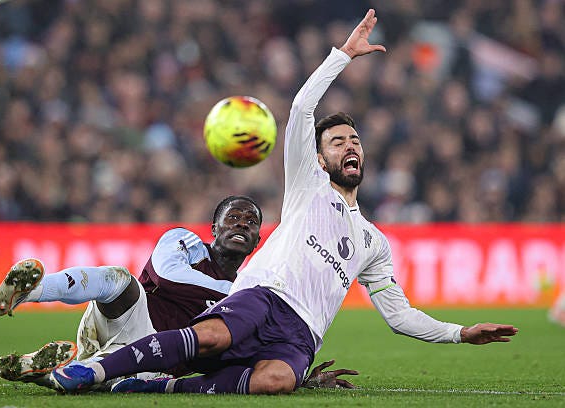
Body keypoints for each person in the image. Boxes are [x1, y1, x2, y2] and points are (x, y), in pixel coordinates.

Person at [48, 8, 518, 395]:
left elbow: (399, 316)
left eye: (355, 140)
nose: (349, 146)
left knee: (276, 381)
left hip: (303, 332)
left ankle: (153, 388)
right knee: (213, 336)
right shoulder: (307, 187)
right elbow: (301, 109)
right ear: (317, 156)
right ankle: (96, 369)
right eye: (337, 141)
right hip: (264, 295)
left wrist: (460, 333)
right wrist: (343, 57)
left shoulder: (373, 242)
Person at [0, 195, 355, 390]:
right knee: (117, 278)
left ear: (258, 240)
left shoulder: (250, 297)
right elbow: (166, 276)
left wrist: (298, 375)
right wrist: (235, 290)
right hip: (128, 315)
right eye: (233, 218)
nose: (241, 224)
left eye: (251, 222)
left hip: (155, 358)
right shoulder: (185, 242)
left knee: (112, 382)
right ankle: (31, 289)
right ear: (214, 226)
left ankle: (43, 372)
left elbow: (248, 352)